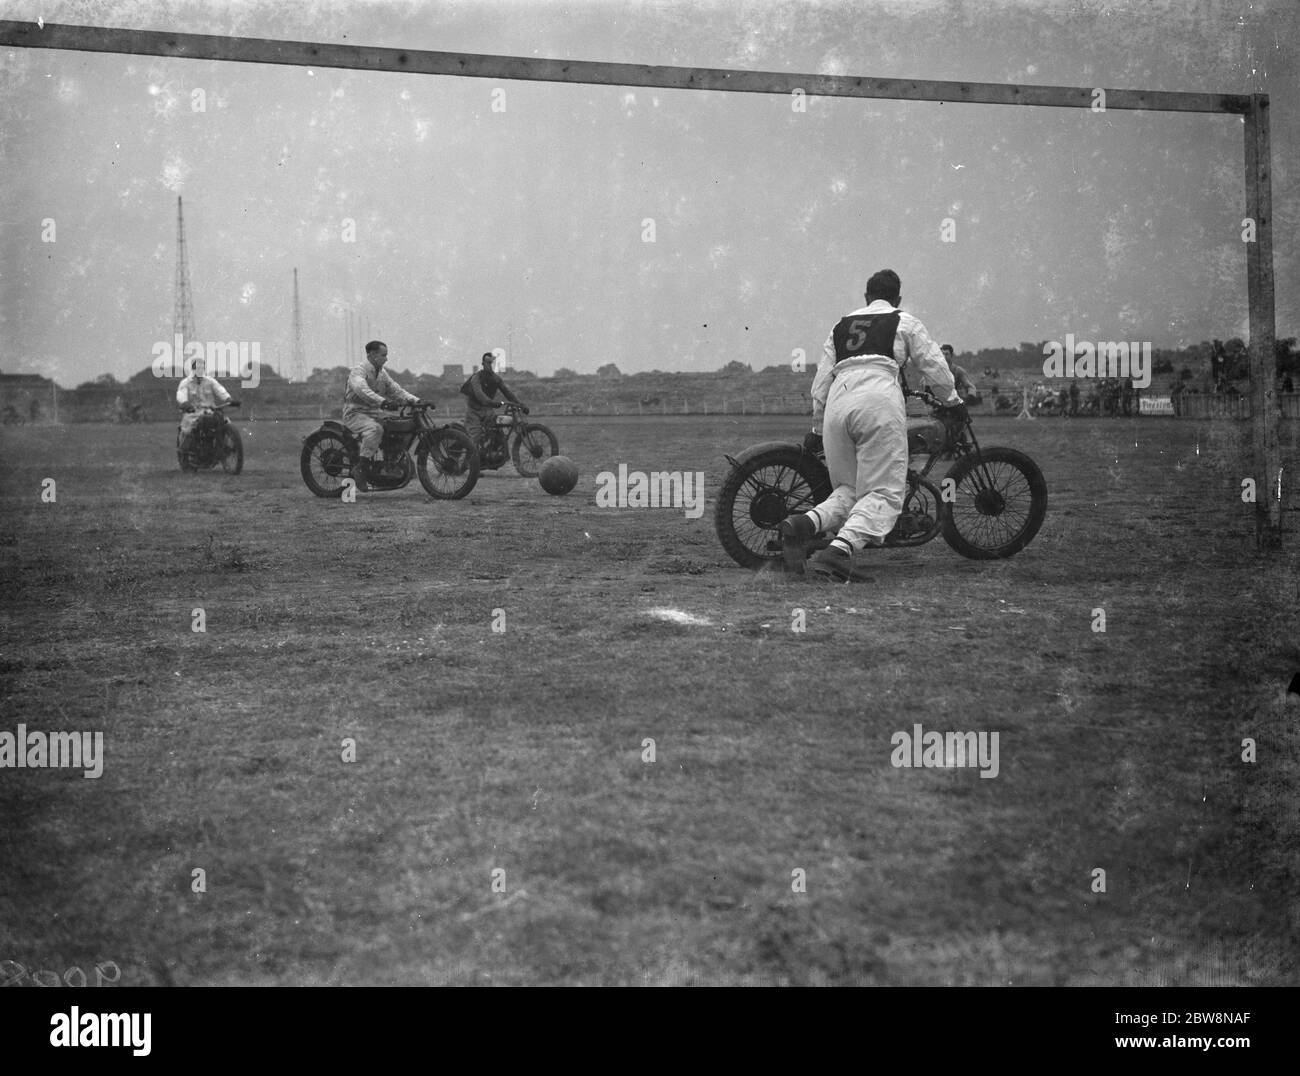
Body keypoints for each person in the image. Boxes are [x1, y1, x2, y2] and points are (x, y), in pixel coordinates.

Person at [779, 269, 964, 581]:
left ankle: (803, 524)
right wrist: (953, 400)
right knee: (886, 492)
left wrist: (816, 428)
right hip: (878, 400)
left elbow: (821, 382)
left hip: (839, 403)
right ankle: (839, 551)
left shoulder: (841, 324)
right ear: (898, 298)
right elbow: (934, 365)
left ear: (866, 297)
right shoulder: (904, 320)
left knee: (850, 489)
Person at [342, 340, 421, 492]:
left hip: (374, 411)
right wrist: (383, 402)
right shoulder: (358, 371)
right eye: (383, 355)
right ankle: (361, 469)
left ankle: (393, 463)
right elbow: (362, 389)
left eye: (386, 355)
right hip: (355, 412)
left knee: (397, 426)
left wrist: (416, 400)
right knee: (375, 429)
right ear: (371, 355)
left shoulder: (382, 373)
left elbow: (396, 390)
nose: (386, 358)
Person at [461, 352, 525, 446]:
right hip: (474, 411)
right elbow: (479, 394)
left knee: (498, 434)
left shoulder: (496, 378)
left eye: (492, 363)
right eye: (488, 363)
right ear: (483, 364)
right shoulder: (476, 377)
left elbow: (507, 392)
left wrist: (520, 404)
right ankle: (469, 459)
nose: (490, 366)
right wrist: (491, 402)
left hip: (487, 410)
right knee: (475, 437)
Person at [177, 357, 237, 453]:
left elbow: (220, 390)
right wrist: (185, 403)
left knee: (226, 424)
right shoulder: (185, 382)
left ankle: (223, 446)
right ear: (193, 369)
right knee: (187, 431)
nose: (199, 370)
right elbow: (181, 394)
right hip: (193, 413)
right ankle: (185, 453)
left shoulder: (210, 380)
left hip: (211, 411)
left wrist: (229, 399)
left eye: (202, 367)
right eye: (197, 368)